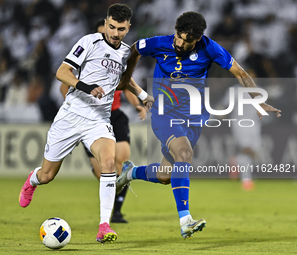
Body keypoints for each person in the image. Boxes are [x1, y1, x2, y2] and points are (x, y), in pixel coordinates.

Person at [116, 11, 281, 239]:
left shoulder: (210, 48)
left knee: (166, 175)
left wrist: (258, 99)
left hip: (193, 119)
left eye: (187, 41)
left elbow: (239, 72)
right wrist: (126, 78)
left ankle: (130, 172)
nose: (181, 43)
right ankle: (185, 221)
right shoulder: (159, 43)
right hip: (164, 113)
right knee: (184, 153)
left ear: (197, 39)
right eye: (179, 37)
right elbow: (135, 48)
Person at [18, 3, 150, 243]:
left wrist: (143, 97)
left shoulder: (125, 53)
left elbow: (125, 81)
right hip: (71, 114)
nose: (115, 33)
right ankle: (32, 180)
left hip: (98, 119)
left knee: (109, 163)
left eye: (121, 29)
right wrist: (87, 87)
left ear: (128, 27)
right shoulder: (88, 41)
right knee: (48, 175)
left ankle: (104, 226)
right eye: (111, 27)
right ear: (106, 21)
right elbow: (62, 72)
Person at [60, 19, 147, 223]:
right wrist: (73, 105)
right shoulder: (86, 55)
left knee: (122, 161)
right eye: (107, 31)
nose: (112, 36)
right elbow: (64, 85)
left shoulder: (119, 56)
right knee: (103, 174)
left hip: (114, 113)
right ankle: (109, 198)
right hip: (90, 116)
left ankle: (116, 212)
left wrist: (137, 104)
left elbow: (126, 85)